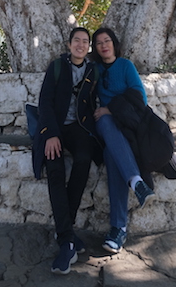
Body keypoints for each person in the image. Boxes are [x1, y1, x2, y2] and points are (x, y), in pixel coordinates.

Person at [32, 27, 101, 275]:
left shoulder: (93, 70)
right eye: (77, 41)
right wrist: (50, 134)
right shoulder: (57, 67)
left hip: (80, 128)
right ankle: (68, 238)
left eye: (85, 42)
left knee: (84, 159)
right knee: (55, 167)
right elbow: (45, 101)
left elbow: (99, 98)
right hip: (56, 126)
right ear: (69, 44)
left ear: (89, 47)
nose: (81, 45)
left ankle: (65, 234)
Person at [92, 26, 156, 254]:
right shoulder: (95, 69)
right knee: (103, 121)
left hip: (127, 127)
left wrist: (111, 109)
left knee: (112, 156)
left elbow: (140, 97)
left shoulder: (126, 66)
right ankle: (137, 182)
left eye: (107, 41)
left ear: (114, 43)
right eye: (99, 43)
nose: (103, 46)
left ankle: (118, 228)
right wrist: (106, 112)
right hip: (105, 125)